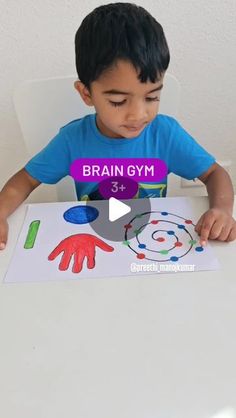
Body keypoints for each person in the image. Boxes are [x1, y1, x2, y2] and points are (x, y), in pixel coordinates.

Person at [0, 2, 235, 252]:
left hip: (151, 243)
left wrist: (220, 209)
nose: (138, 114)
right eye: (118, 101)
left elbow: (214, 174)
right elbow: (24, 180)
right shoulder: (72, 140)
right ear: (86, 93)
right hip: (98, 245)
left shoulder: (165, 134)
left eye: (152, 97)